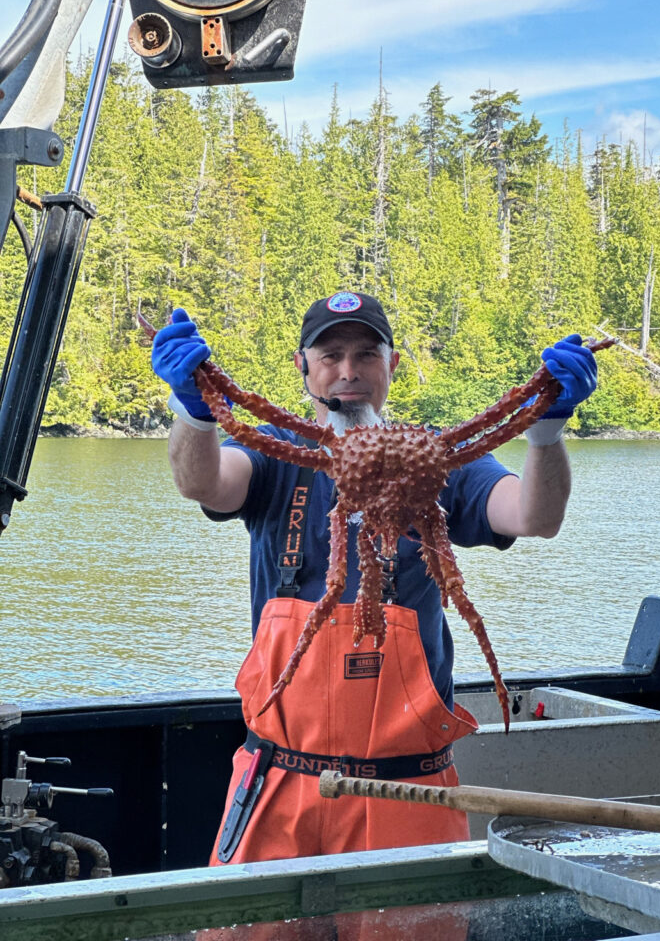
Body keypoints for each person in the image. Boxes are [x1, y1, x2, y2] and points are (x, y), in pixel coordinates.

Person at [150, 290, 598, 868]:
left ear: (393, 364)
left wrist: (545, 428)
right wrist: (194, 409)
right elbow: (203, 482)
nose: (348, 372)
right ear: (303, 366)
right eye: (330, 355)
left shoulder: (437, 456)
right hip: (279, 777)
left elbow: (535, 517)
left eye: (366, 354)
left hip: (409, 786)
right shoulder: (282, 453)